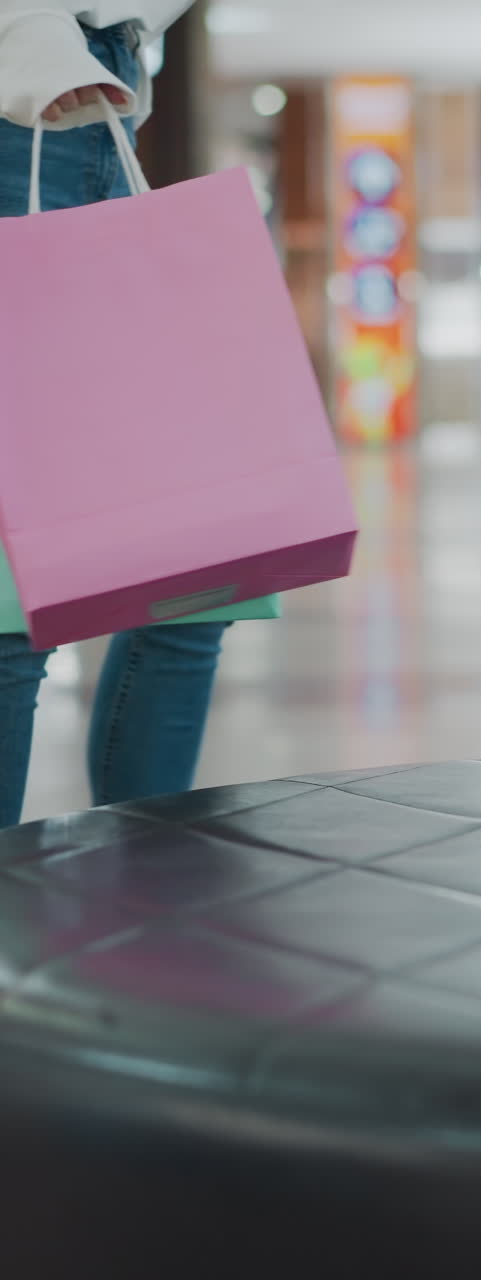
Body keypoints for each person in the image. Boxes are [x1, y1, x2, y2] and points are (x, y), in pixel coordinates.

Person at [0, 2, 228, 827]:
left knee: (196, 584)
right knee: (13, 611)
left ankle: (146, 894)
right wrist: (30, 32)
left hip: (106, 99)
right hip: (25, 91)